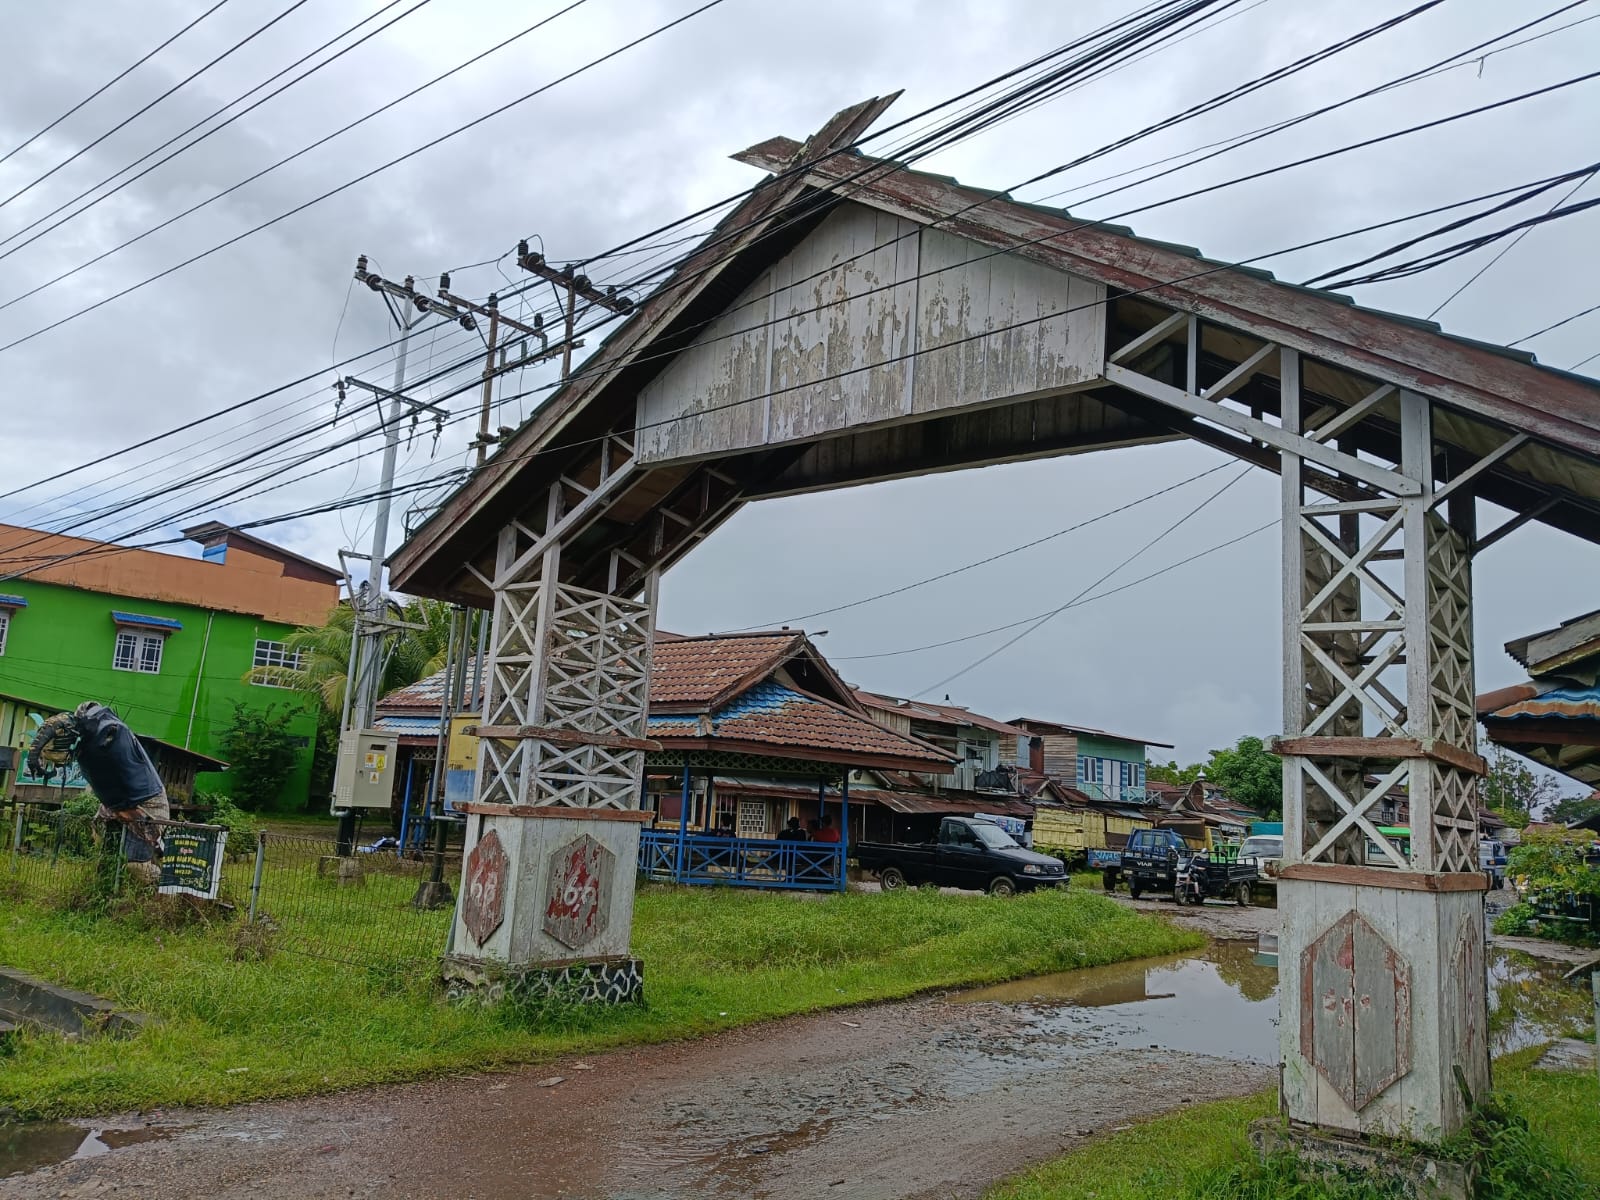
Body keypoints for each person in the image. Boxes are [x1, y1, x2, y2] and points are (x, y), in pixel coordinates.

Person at [27, 702, 168, 886]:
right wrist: (34, 752)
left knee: (137, 867)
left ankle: (168, 888)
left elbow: (101, 727)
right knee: (105, 858)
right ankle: (109, 894)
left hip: (146, 803)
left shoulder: (109, 736)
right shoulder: (87, 739)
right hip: (114, 805)